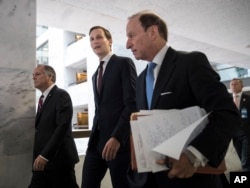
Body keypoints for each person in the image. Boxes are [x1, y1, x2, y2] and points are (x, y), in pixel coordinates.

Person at [126, 10, 241, 188]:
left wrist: (193, 155)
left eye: (131, 35)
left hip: (192, 181)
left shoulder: (191, 62)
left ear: (153, 32)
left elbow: (227, 114)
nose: (127, 44)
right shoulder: (141, 80)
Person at [81, 26, 137, 188]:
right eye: (91, 39)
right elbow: (100, 110)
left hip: (117, 144)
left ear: (110, 41)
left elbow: (132, 104)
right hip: (96, 145)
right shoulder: (93, 76)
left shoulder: (123, 63)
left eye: (99, 37)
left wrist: (118, 137)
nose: (95, 42)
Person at [29, 64, 79, 188]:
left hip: (58, 161)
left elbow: (62, 128)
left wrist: (45, 155)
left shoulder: (61, 95)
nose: (34, 77)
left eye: (37, 74)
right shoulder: (42, 99)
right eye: (33, 75)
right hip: (41, 163)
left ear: (50, 76)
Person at [230, 78, 250, 171]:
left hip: (246, 133)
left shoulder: (248, 98)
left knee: (245, 161)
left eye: (236, 84)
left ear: (242, 86)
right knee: (241, 158)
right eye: (232, 84)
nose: (233, 86)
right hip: (234, 134)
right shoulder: (227, 100)